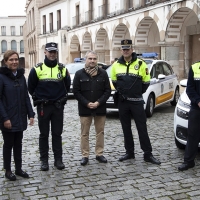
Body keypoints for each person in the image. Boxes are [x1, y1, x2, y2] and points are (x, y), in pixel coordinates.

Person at [111, 39, 161, 165]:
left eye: (128, 48)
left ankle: (147, 154)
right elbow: (114, 82)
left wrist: (135, 93)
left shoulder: (141, 63)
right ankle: (129, 152)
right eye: (123, 49)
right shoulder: (116, 65)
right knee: (126, 128)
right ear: (121, 50)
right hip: (123, 102)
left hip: (137, 101)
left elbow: (146, 82)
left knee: (142, 128)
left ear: (132, 49)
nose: (126, 51)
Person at [28, 42, 71, 171]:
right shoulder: (37, 69)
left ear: (56, 53)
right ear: (45, 52)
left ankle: (58, 160)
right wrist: (39, 99)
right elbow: (31, 88)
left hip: (58, 107)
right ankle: (44, 161)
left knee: (57, 134)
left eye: (54, 52)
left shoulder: (62, 69)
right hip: (43, 107)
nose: (52, 54)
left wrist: (60, 99)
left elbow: (67, 86)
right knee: (44, 134)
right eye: (50, 52)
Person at [0, 50, 35, 181]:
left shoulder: (21, 77)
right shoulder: (1, 77)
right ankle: (8, 170)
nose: (14, 62)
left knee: (18, 143)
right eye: (11, 60)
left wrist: (31, 114)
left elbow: (26, 97)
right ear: (5, 62)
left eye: (16, 59)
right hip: (7, 118)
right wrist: (5, 118)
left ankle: (19, 168)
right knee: (8, 144)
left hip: (20, 116)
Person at [73, 50, 111, 166]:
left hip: (100, 108)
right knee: (84, 133)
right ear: (86, 60)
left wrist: (99, 102)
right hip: (85, 108)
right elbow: (76, 92)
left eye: (94, 59)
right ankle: (85, 155)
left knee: (100, 132)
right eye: (90, 59)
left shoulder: (103, 73)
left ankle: (99, 153)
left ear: (97, 60)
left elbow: (107, 91)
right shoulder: (79, 74)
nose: (92, 61)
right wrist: (86, 103)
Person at [178, 61, 200, 171]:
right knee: (192, 135)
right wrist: (198, 101)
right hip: (197, 108)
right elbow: (190, 88)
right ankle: (189, 161)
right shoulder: (195, 68)